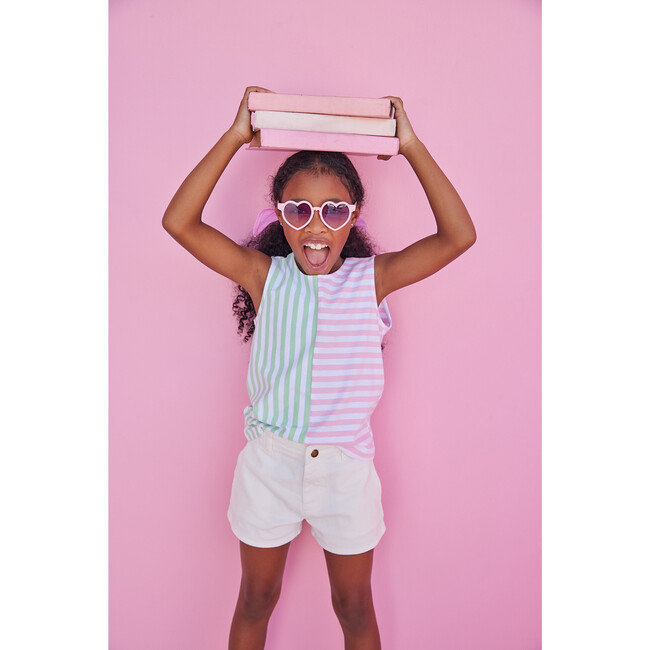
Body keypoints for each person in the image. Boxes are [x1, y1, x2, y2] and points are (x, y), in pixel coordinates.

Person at [162, 86, 476, 650]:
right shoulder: (264, 276)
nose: (315, 227)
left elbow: (460, 236)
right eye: (298, 210)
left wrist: (412, 147)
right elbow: (179, 222)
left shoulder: (371, 280)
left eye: (333, 211)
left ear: (352, 215)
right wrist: (236, 135)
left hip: (345, 472)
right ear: (280, 214)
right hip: (269, 465)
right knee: (256, 599)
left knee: (354, 607)